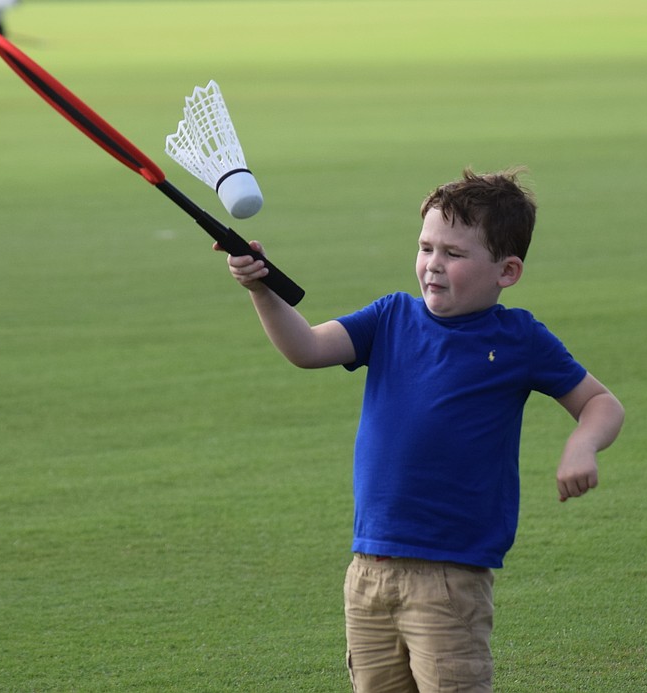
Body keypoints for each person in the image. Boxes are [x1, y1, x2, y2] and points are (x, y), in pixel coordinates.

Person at [219, 168, 625, 693]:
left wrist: (581, 445)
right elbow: (308, 349)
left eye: (453, 255)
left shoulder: (520, 339)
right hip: (369, 573)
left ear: (507, 271)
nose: (433, 265)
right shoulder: (390, 317)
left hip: (449, 581)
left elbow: (600, 402)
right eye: (426, 247)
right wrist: (262, 289)